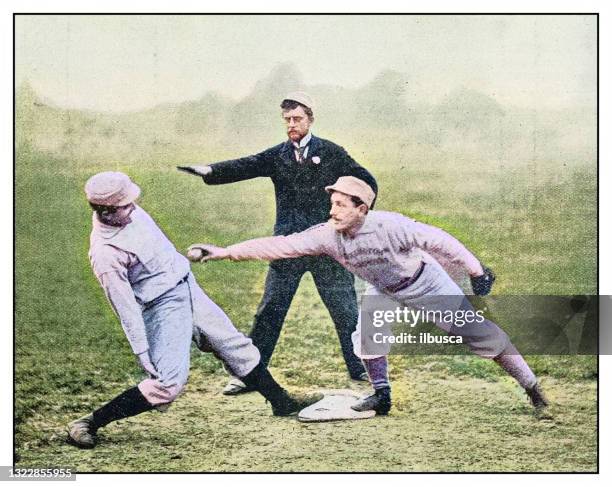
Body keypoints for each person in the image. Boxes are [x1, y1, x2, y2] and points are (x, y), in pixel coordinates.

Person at [187, 176, 551, 419]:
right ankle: (382, 395)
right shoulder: (327, 235)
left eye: (342, 204)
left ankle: (534, 389)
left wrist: (476, 272)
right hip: (384, 290)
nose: (333, 211)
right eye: (332, 203)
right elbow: (281, 245)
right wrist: (224, 251)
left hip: (426, 284)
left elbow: (439, 240)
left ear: (363, 208)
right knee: (366, 337)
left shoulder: (392, 226)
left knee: (480, 337)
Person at [67, 172, 322, 449]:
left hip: (187, 285)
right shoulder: (105, 253)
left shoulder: (127, 211)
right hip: (160, 305)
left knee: (234, 345)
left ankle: (281, 402)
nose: (134, 208)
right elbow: (123, 306)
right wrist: (141, 349)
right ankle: (88, 422)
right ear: (105, 211)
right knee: (167, 384)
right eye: (125, 205)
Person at [177, 92, 377, 395]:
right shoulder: (278, 155)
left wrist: (357, 215)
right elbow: (248, 165)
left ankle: (361, 365)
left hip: (327, 245)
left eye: (297, 119)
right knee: (271, 307)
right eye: (287, 120)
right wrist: (210, 170)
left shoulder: (333, 152)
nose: (292, 125)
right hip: (286, 245)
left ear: (310, 119)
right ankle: (249, 374)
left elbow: (365, 179)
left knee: (345, 307)